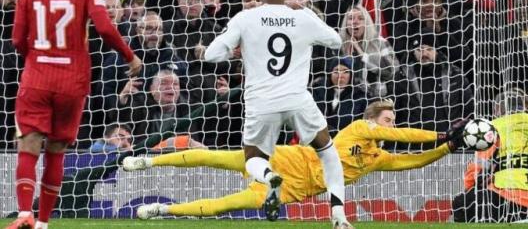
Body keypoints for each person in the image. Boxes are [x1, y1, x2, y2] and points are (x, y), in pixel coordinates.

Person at [8, 0, 142, 229]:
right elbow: (106, 28)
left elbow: (16, 39)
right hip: (72, 80)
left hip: (37, 78)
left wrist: (37, 60)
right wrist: (130, 56)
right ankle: (43, 223)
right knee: (56, 151)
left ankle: (25, 214)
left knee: (28, 146)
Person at [124, 100, 468, 221]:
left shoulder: (376, 158)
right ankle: (149, 161)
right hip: (289, 160)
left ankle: (163, 211)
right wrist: (440, 134)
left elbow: (413, 161)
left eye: (393, 120)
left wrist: (447, 149)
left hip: (294, 190)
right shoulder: (360, 127)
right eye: (388, 120)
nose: (391, 125)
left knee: (223, 206)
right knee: (219, 158)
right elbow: (404, 137)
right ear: (375, 120)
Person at [199, 0, 352, 228]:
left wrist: (237, 52)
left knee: (253, 160)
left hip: (261, 102)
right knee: (327, 151)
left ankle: (270, 176)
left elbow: (211, 55)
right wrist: (306, 13)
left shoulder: (245, 18)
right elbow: (336, 41)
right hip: (297, 99)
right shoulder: (301, 16)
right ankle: (339, 215)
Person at [451, 89, 528, 222]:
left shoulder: (493, 127)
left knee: (461, 203)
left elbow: (476, 171)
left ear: (497, 109)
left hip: (500, 200)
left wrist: (470, 189)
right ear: (527, 106)